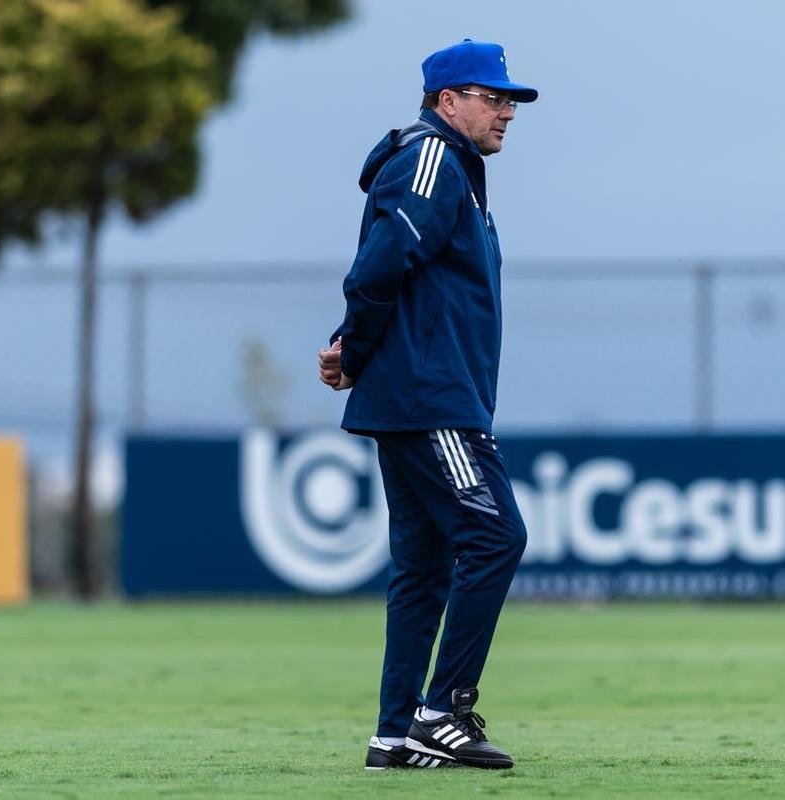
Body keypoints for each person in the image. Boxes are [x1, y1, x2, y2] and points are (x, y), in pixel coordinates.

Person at [317, 39, 538, 771]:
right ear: (447, 101)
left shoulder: (452, 168)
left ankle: (392, 733)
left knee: (423, 566)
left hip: (419, 395)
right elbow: (380, 264)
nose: (506, 110)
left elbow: (396, 274)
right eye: (492, 96)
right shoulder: (432, 159)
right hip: (430, 400)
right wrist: (352, 343)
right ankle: (442, 711)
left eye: (510, 100)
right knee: (495, 536)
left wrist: (351, 346)